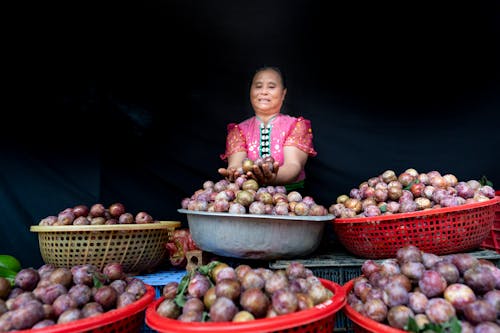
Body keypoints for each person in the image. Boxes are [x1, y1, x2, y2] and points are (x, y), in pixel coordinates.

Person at [218, 66, 317, 191]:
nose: (263, 91)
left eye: (271, 87)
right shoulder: (238, 130)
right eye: (258, 86)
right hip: (249, 198)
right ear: (250, 91)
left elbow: (293, 166)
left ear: (283, 93)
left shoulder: (296, 126)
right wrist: (233, 173)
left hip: (290, 200)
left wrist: (272, 178)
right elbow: (235, 165)